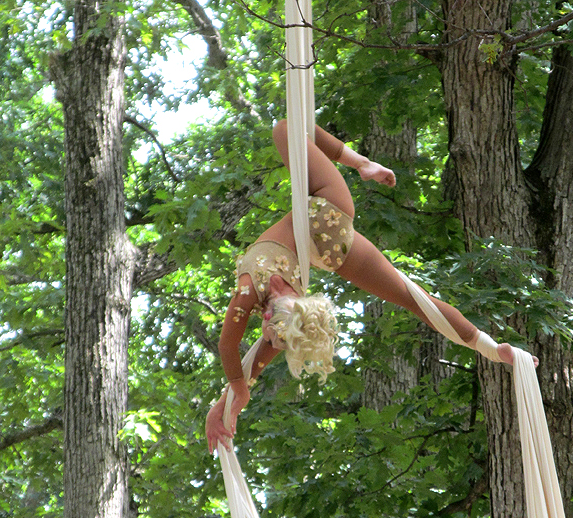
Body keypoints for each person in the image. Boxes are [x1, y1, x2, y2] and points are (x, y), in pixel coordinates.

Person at [206, 120, 535, 454]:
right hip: (327, 224)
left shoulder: (272, 303)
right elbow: (232, 349)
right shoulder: (266, 304)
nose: (264, 334)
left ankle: (492, 348)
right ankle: (490, 348)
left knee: (414, 299)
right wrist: (233, 391)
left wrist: (232, 396)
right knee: (285, 129)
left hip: (327, 230)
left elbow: (238, 348)